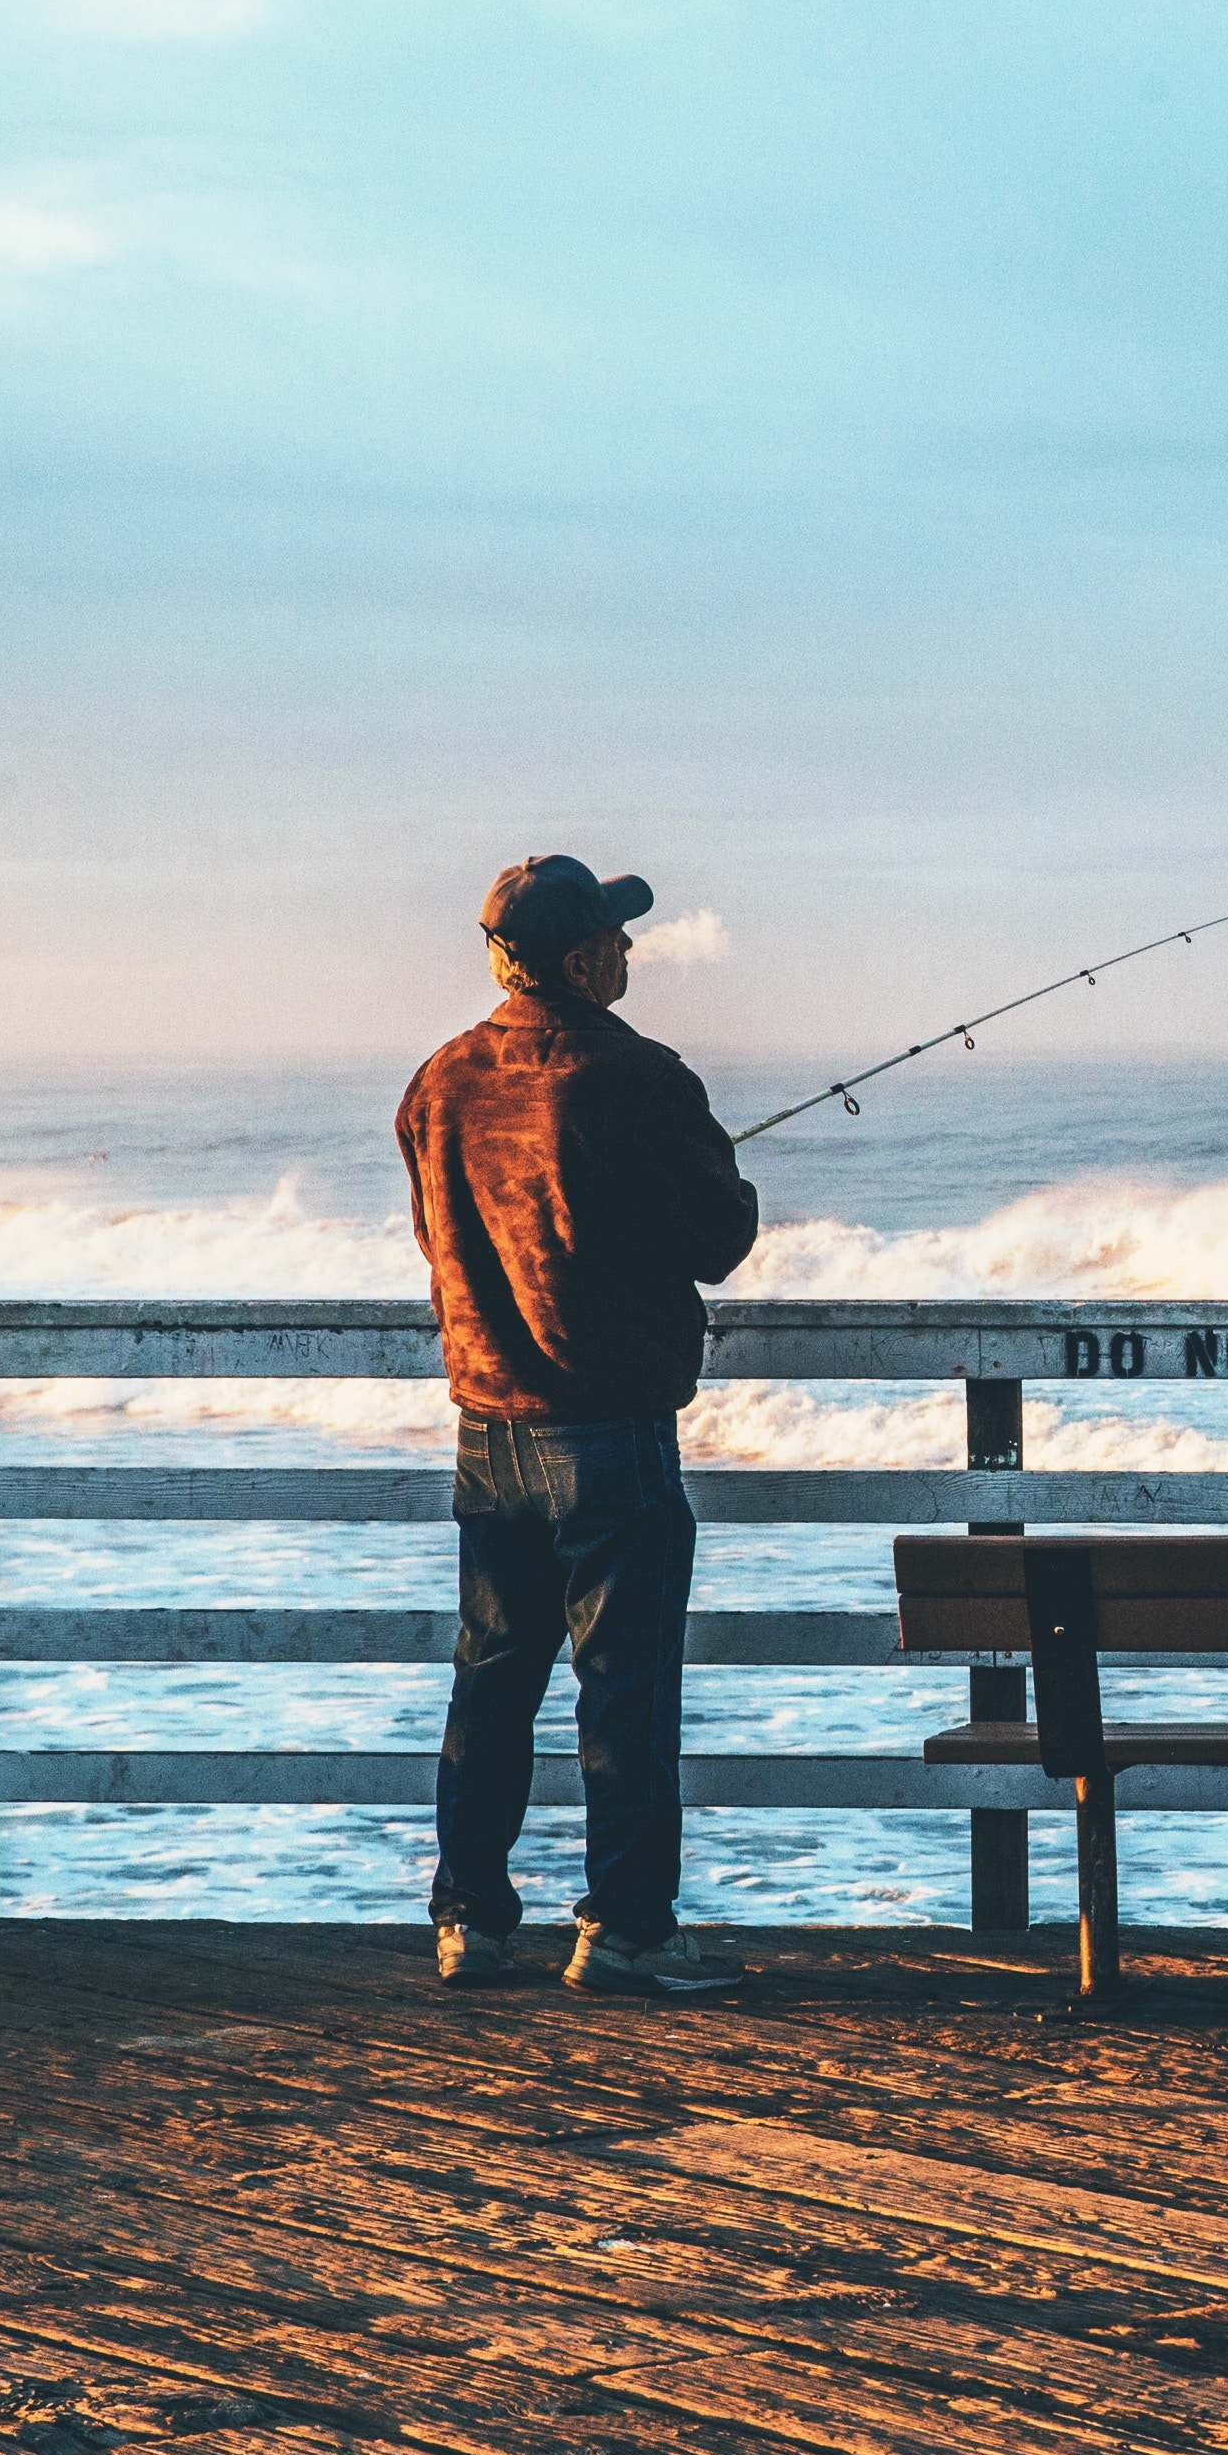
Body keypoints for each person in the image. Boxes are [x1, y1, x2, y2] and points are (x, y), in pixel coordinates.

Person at [397, 854, 762, 1993]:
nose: (630, 950)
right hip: (607, 1433)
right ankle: (628, 1932)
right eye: (613, 935)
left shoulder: (439, 1080)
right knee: (626, 1691)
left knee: (490, 1682)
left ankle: (469, 1919)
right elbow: (717, 1240)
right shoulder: (633, 1075)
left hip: (484, 1428)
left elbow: (440, 1238)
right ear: (576, 961)